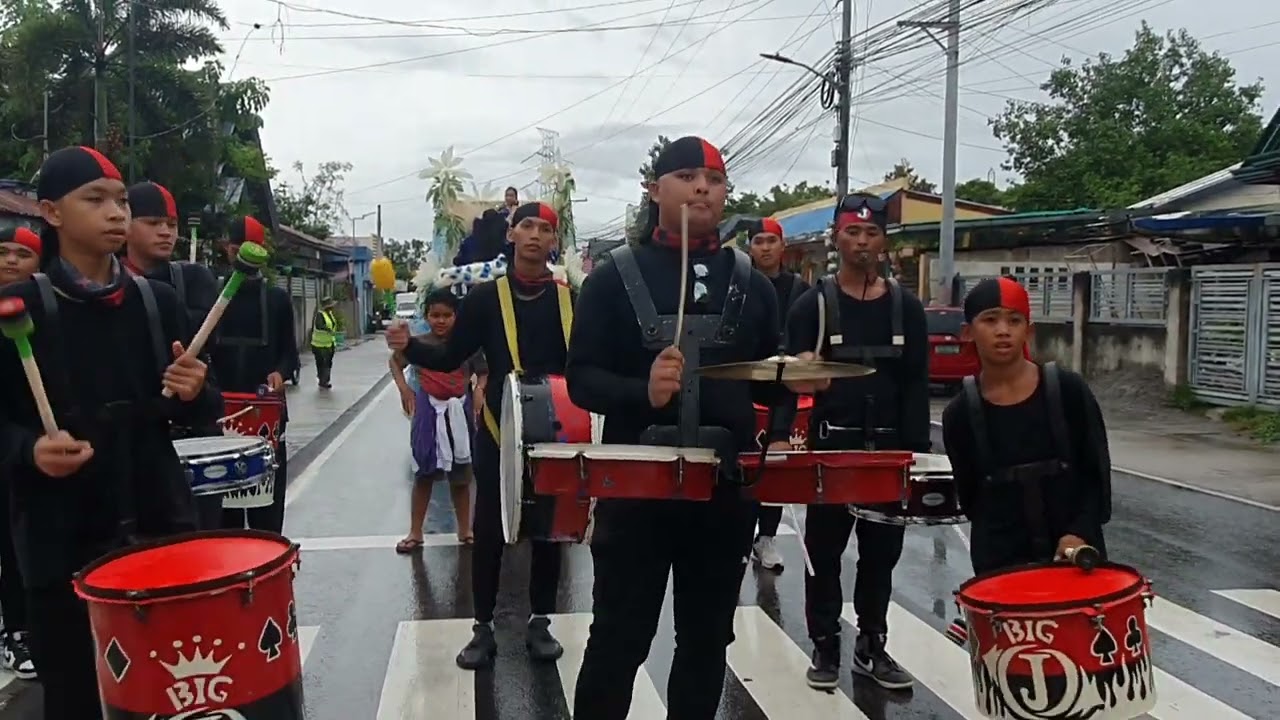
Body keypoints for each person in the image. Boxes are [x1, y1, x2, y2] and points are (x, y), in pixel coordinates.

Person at [566, 136, 785, 719]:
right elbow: (581, 377)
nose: (701, 188)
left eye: (713, 179)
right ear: (654, 189)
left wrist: (794, 389)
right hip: (636, 488)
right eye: (687, 176)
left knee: (708, 641)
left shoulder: (753, 284)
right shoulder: (612, 279)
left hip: (724, 491)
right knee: (619, 638)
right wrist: (643, 390)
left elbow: (771, 376)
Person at [0, 145, 221, 720]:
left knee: (171, 693)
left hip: (157, 530)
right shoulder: (19, 309)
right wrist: (30, 450)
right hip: (61, 541)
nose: (116, 213)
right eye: (94, 200)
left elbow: (199, 413)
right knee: (74, 698)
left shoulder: (157, 303)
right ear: (51, 212)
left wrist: (198, 390)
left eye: (122, 200)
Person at [385, 200, 570, 670]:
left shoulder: (571, 299)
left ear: (554, 241)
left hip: (555, 430)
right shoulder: (486, 298)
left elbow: (587, 365)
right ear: (510, 235)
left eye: (544, 229)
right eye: (525, 225)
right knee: (488, 529)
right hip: (497, 427)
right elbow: (451, 355)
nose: (534, 235)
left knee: (549, 530)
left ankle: (541, 621)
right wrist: (410, 347)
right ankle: (482, 628)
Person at [784, 192, 930, 691]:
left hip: (889, 451)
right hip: (831, 449)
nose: (862, 241)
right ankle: (825, 645)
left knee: (881, 555)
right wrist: (787, 425)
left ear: (884, 242)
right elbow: (784, 377)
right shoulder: (813, 305)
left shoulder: (907, 308)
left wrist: (916, 455)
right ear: (836, 237)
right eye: (853, 232)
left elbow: (916, 384)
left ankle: (872, 645)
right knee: (823, 554)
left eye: (871, 233)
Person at [941, 277, 1111, 640]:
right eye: (990, 320)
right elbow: (972, 498)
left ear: (1028, 330)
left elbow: (1096, 475)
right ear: (967, 332)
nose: (1003, 331)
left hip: (1075, 559)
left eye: (1014, 320)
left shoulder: (1068, 391)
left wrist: (1077, 533)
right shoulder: (960, 414)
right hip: (1002, 568)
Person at [120, 181, 224, 530]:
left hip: (190, 432)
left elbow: (207, 358)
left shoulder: (193, 280)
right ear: (125, 224)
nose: (165, 232)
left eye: (172, 224)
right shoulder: (107, 287)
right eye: (152, 222)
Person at [209, 216, 299, 534]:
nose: (242, 257)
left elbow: (290, 353)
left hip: (266, 417)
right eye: (236, 249)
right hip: (222, 416)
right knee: (224, 519)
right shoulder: (212, 295)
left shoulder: (277, 299)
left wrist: (280, 373)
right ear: (227, 249)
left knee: (266, 515)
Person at [390, 288, 486, 551]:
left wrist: (478, 390)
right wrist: (404, 389)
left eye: (447, 315)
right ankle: (415, 531)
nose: (441, 321)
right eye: (435, 315)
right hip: (427, 412)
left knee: (461, 475)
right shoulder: (417, 344)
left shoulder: (466, 345)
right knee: (424, 472)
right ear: (427, 316)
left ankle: (465, 529)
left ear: (457, 316)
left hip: (459, 413)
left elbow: (483, 372)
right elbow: (395, 362)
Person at [745, 215, 809, 572]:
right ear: (750, 247)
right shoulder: (741, 283)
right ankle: (739, 535)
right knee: (740, 463)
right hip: (745, 380)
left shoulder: (798, 288)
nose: (765, 247)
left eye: (771, 241)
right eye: (759, 241)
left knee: (777, 464)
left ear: (782, 246)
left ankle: (766, 536)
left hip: (783, 386)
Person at [0, 226, 39, 681]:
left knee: (16, 545)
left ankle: (18, 629)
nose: (12, 260)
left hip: (25, 449)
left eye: (22, 254)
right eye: (3, 252)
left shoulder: (43, 312)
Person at [311, 297, 339, 389]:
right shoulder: (320, 315)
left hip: (329, 344)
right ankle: (323, 381)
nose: (333, 307)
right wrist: (328, 329)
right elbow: (319, 325)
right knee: (322, 363)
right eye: (331, 306)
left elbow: (333, 325)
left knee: (328, 363)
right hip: (319, 345)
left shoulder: (329, 314)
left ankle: (325, 380)